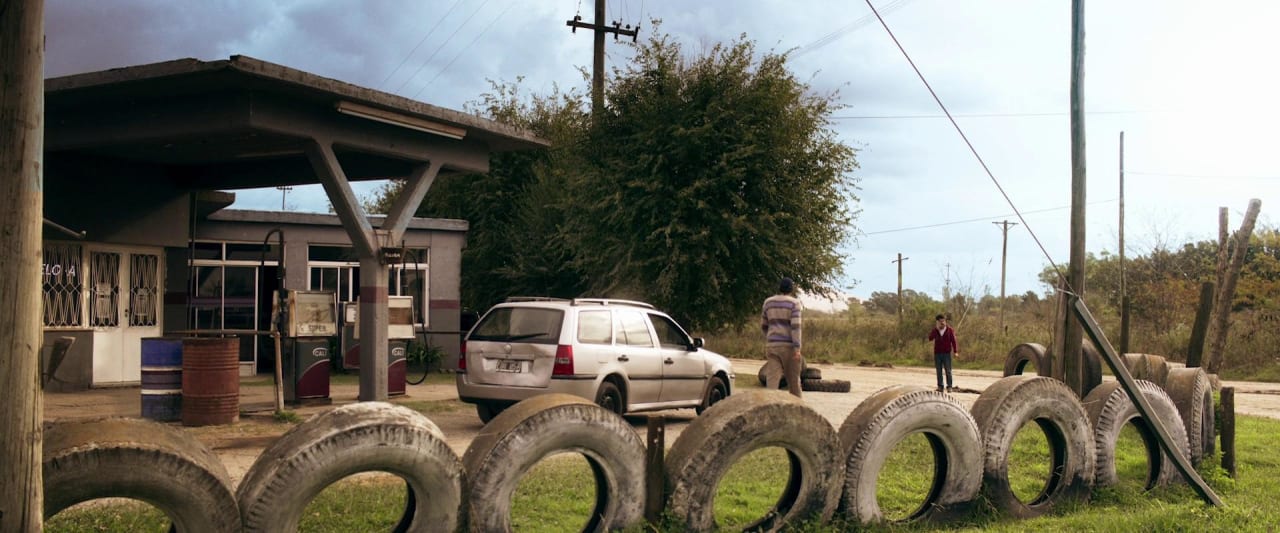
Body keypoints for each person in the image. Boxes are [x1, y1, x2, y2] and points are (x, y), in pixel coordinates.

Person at [762, 277, 804, 398]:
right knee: (794, 382)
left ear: (779, 288)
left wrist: (771, 337)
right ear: (791, 289)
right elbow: (795, 327)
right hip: (789, 347)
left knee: (772, 382)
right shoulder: (794, 303)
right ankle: (798, 406)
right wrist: (797, 348)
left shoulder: (768, 302)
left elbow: (764, 325)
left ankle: (769, 406)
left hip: (772, 346)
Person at [927, 314, 959, 392]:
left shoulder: (950, 330)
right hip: (937, 353)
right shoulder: (935, 330)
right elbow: (930, 338)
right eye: (940, 322)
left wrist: (955, 351)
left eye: (943, 321)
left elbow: (953, 341)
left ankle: (949, 386)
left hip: (947, 353)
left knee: (948, 370)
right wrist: (936, 329)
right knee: (939, 371)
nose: (942, 323)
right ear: (937, 322)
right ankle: (940, 387)